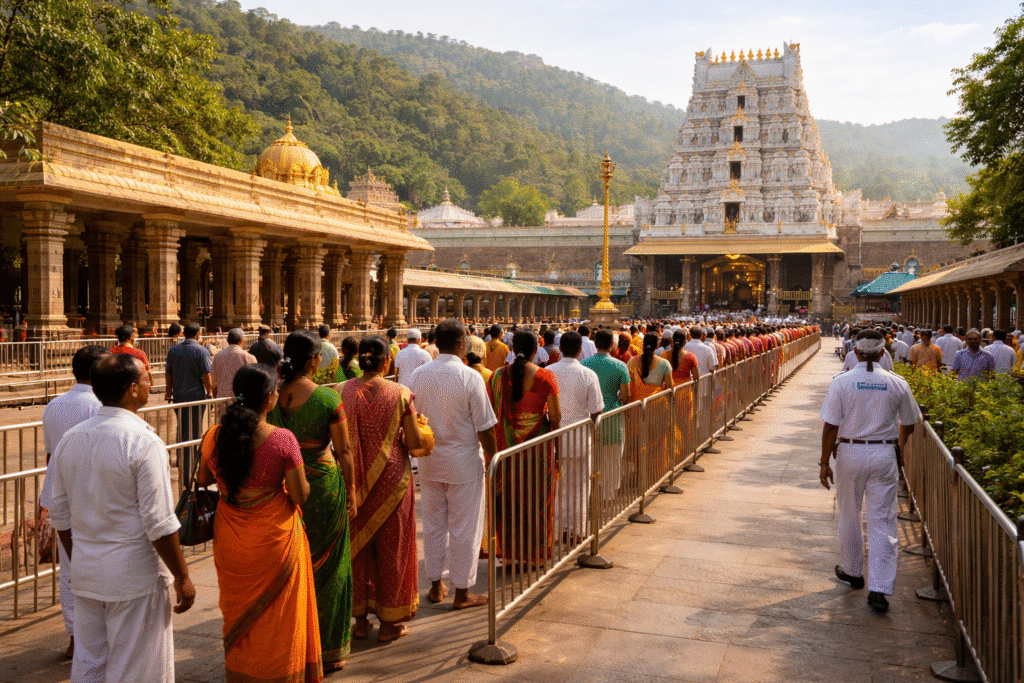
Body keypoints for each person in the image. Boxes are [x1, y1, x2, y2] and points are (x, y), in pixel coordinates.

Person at [49, 354, 196, 681]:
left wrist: (83, 557)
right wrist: (182, 576)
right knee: (138, 668)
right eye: (146, 379)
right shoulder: (144, 443)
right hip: (133, 577)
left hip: (88, 573)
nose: (151, 384)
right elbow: (159, 523)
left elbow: (59, 515)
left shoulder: (71, 439)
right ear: (131, 390)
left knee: (90, 663)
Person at [196, 364, 322, 683]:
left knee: (238, 613)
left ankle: (242, 673)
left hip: (230, 536)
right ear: (268, 399)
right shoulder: (282, 439)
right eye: (276, 391)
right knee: (280, 617)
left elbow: (203, 478)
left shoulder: (213, 436)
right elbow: (298, 495)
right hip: (274, 538)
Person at [268, 330, 357, 672]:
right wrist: (352, 491)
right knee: (331, 566)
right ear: (314, 359)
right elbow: (344, 450)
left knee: (292, 564)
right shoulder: (327, 400)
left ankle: (295, 642)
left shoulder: (273, 395)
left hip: (284, 487)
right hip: (322, 486)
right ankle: (329, 648)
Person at [819, 330, 920, 613]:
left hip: (850, 452)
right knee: (882, 521)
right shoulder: (896, 383)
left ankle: (853, 571)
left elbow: (830, 426)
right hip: (883, 452)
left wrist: (824, 462)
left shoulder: (842, 382)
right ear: (883, 353)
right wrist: (898, 446)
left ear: (857, 353)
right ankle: (880, 588)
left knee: (849, 514)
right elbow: (909, 422)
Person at [407, 319, 497, 610]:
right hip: (464, 463)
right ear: (461, 344)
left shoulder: (418, 375)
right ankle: (462, 592)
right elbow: (485, 427)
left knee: (434, 524)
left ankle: (435, 586)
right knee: (464, 528)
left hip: (429, 461)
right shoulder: (470, 377)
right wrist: (494, 459)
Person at [343, 337, 422, 642]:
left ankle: (360, 622)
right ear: (387, 361)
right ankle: (390, 623)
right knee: (393, 549)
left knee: (357, 552)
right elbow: (414, 444)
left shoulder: (342, 391)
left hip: (354, 483)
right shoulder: (401, 394)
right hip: (393, 481)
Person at [39, 345, 110, 659]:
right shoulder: (100, 405)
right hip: (91, 495)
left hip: (59, 492)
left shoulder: (54, 405)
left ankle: (75, 635)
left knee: (69, 570)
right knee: (98, 566)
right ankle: (95, 634)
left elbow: (50, 453)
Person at [487, 329, 562, 564]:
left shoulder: (497, 377)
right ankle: (535, 555)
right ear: (535, 349)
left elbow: (492, 415)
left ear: (512, 349)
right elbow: (556, 416)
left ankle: (509, 556)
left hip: (506, 450)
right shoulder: (545, 377)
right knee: (537, 500)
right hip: (537, 448)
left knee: (509, 500)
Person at [546, 331, 603, 539]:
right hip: (580, 437)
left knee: (556, 487)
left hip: (553, 437)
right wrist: (593, 433)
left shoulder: (549, 372)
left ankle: (555, 529)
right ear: (580, 351)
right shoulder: (588, 375)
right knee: (579, 486)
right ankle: (575, 531)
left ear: (560, 349)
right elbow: (597, 410)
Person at [583, 329, 631, 498]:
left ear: (595, 343)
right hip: (612, 418)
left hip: (590, 419)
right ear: (612, 345)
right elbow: (626, 396)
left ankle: (591, 493)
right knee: (612, 459)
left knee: (592, 459)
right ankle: (608, 495)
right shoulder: (620, 366)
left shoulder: (585, 364)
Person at [165, 322, 213, 479]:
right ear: (198, 333)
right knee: (195, 429)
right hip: (196, 396)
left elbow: (168, 374)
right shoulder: (201, 350)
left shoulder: (173, 350)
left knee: (182, 426)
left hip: (179, 395)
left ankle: (182, 459)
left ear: (184, 333)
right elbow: (206, 374)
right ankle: (190, 465)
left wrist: (168, 392)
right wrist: (210, 392)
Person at [627, 332, 674, 401]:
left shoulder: (632, 361)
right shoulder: (664, 364)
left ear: (643, 344)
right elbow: (669, 389)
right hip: (656, 404)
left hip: (636, 405)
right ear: (657, 345)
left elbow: (627, 384)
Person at [211, 328, 256, 398]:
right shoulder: (248, 357)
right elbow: (254, 381)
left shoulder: (217, 356)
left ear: (228, 341)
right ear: (242, 340)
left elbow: (213, 381)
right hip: (241, 400)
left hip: (222, 399)